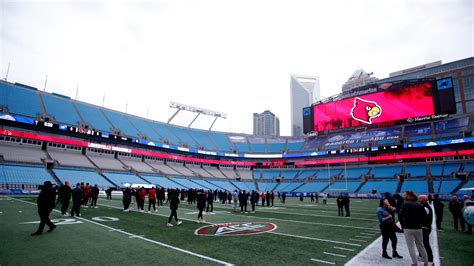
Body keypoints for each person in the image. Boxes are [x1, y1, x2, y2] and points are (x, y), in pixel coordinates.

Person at [399, 191, 429, 266]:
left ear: (409, 196)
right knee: (421, 246)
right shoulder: (419, 205)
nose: (404, 196)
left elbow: (401, 216)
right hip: (418, 228)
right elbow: (425, 217)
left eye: (405, 195)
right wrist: (420, 223)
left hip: (408, 228)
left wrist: (403, 225)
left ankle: (415, 263)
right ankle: (426, 263)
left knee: (411, 246)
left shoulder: (405, 204)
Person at [418, 195, 433, 264]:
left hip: (425, 228)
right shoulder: (424, 207)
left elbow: (419, 217)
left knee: (425, 243)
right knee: (421, 243)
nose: (418, 200)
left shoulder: (425, 208)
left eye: (419, 199)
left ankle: (429, 258)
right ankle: (422, 256)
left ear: (423, 200)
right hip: (424, 227)